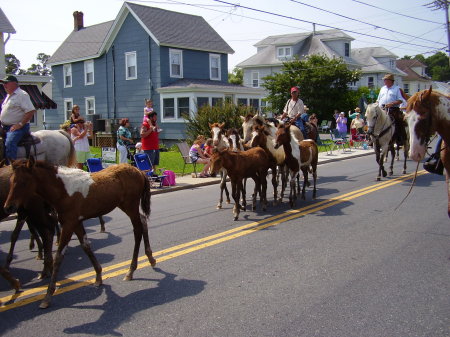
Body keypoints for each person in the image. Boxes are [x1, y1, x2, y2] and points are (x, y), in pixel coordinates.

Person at [0, 75, 36, 161]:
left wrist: (20, 124)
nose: (4, 85)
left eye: (6, 83)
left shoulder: (22, 95)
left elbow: (30, 111)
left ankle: (11, 167)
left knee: (10, 142)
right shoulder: (9, 96)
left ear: (14, 84)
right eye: (3, 84)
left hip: (18, 127)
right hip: (4, 127)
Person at [376, 73, 406, 145]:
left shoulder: (397, 89)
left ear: (390, 81)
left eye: (385, 80)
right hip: (382, 109)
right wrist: (375, 105)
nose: (384, 81)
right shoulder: (382, 89)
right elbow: (378, 99)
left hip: (393, 109)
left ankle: (401, 138)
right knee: (372, 120)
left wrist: (391, 104)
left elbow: (400, 100)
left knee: (398, 121)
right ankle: (372, 138)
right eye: (384, 80)